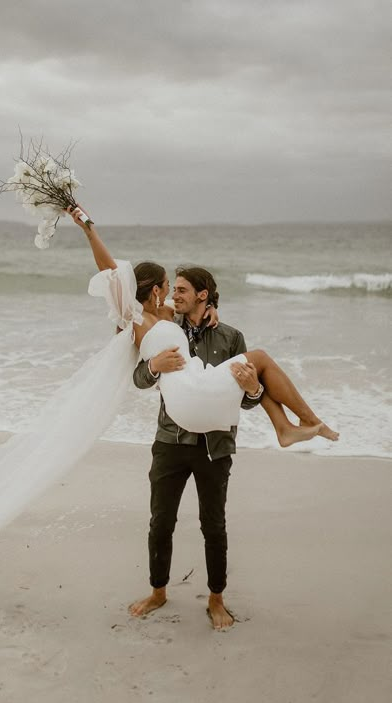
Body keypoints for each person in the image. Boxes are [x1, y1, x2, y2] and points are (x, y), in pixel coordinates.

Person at [66, 205, 339, 630]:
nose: (175, 294)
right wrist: (156, 365)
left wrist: (253, 390)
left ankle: (216, 598)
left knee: (214, 524)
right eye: (169, 288)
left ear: (204, 296)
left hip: (215, 441)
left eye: (182, 290)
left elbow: (243, 400)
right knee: (162, 520)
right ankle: (158, 589)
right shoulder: (149, 321)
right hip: (172, 438)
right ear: (156, 292)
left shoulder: (227, 335)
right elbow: (139, 377)